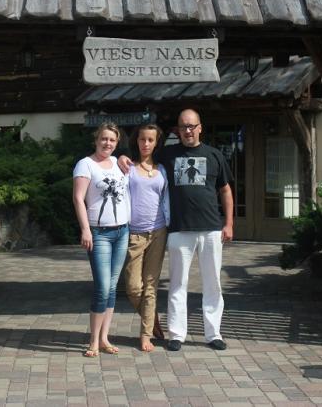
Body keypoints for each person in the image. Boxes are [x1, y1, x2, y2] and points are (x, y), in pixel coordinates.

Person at [119, 109, 233, 351]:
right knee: (178, 284)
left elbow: (225, 190)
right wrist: (122, 158)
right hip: (179, 229)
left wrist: (229, 223)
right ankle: (177, 334)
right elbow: (143, 155)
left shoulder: (214, 155)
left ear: (200, 127)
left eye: (191, 126)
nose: (188, 130)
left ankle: (214, 334)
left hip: (211, 229)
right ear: (178, 130)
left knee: (212, 283)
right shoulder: (168, 154)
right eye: (183, 126)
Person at [73, 123, 130, 357]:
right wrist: (85, 229)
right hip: (99, 233)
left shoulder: (118, 162)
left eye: (112, 140)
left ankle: (105, 338)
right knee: (103, 286)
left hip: (122, 231)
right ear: (96, 140)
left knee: (113, 286)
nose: (108, 143)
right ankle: (93, 341)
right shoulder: (85, 164)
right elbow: (78, 198)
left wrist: (123, 157)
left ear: (117, 143)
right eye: (104, 139)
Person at [124, 124, 170, 352]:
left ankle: (145, 335)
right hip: (134, 234)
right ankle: (152, 320)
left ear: (156, 143)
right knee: (133, 287)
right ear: (137, 141)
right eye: (143, 139)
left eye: (151, 140)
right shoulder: (127, 168)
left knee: (151, 285)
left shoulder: (162, 170)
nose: (146, 144)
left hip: (158, 232)